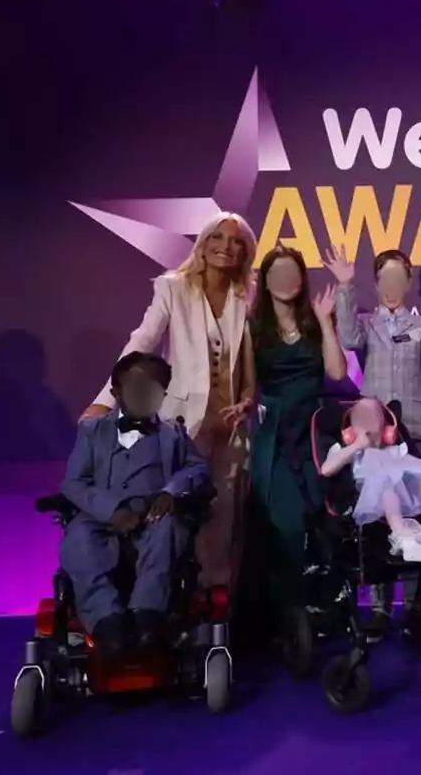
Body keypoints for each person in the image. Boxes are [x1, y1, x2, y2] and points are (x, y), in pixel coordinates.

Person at [80, 212, 258, 590]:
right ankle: (161, 602)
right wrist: (105, 401)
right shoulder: (174, 288)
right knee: (169, 513)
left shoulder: (247, 295)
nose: (226, 246)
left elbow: (251, 364)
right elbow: (141, 345)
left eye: (237, 241)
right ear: (204, 244)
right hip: (181, 423)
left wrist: (248, 401)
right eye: (218, 238)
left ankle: (216, 614)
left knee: (223, 520)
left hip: (231, 429)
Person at [330, 246, 421, 632]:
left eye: (397, 279)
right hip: (372, 434)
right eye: (383, 279)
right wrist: (344, 286)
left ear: (407, 283)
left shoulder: (419, 324)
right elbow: (350, 337)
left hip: (414, 427)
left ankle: (412, 603)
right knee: (378, 516)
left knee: (414, 511)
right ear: (375, 284)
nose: (390, 285)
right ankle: (378, 606)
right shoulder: (366, 323)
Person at [61, 352, 211, 656]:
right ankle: (107, 620)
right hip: (101, 517)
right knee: (79, 539)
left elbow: (198, 469)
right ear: (116, 392)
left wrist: (172, 490)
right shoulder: (93, 432)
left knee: (168, 530)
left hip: (153, 514)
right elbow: (73, 483)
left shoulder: (172, 433)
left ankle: (148, 614)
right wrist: (112, 510)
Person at [245, 246, 348, 633]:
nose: (286, 280)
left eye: (293, 272)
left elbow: (336, 371)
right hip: (275, 435)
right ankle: (288, 613)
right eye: (277, 273)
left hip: (315, 432)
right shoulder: (253, 329)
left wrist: (324, 322)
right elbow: (249, 387)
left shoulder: (314, 320)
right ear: (266, 282)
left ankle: (327, 605)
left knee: (323, 519)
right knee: (285, 523)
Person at [320, 397, 421, 563]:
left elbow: (415, 464)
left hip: (405, 493)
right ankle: (406, 541)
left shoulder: (393, 450)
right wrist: (355, 445)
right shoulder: (352, 451)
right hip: (369, 496)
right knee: (387, 487)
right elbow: (326, 469)